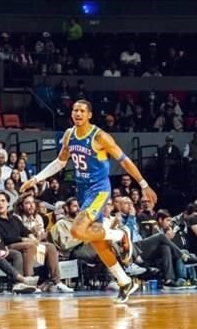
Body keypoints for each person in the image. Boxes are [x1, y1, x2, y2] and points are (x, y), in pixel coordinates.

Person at [21, 99, 158, 304]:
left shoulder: (100, 136)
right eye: (75, 110)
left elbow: (125, 160)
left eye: (82, 110)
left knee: (77, 230)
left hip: (100, 190)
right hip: (83, 190)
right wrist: (36, 178)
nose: (77, 113)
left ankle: (121, 234)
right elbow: (60, 161)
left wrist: (143, 184)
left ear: (89, 115)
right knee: (97, 242)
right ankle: (125, 281)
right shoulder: (69, 134)